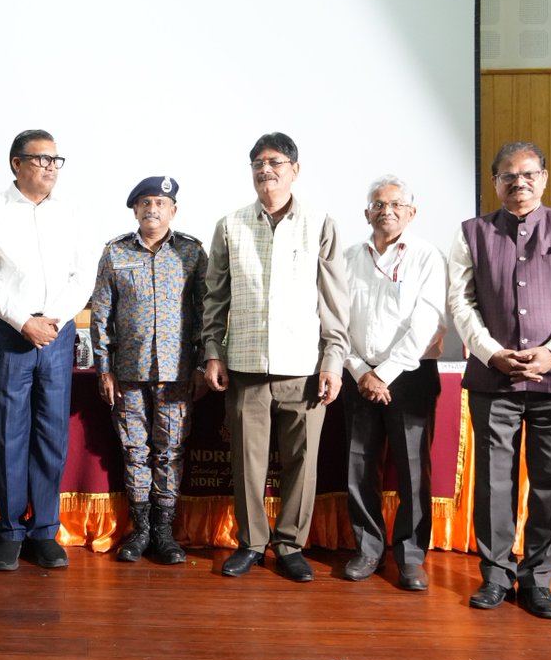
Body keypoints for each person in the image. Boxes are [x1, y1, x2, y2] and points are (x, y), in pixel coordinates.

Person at [448, 141, 551, 619]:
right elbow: (461, 303)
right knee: (494, 484)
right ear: (494, 182)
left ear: (544, 177)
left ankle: (538, 580)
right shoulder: (470, 233)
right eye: (507, 176)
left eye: (528, 174)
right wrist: (492, 352)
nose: (518, 183)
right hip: (492, 380)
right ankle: (495, 576)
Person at [201, 132, 349, 583]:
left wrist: (333, 359)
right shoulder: (231, 224)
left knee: (303, 462)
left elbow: (334, 300)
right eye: (258, 163)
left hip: (304, 368)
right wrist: (212, 351)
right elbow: (214, 298)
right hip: (245, 365)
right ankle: (251, 543)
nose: (266, 169)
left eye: (276, 162)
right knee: (248, 462)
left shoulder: (320, 223)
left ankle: (289, 545)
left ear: (295, 170)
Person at [0, 129, 95, 571]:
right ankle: (10, 530)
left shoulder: (71, 213)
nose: (50, 168)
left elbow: (84, 276)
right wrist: (24, 321)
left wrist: (52, 321)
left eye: (56, 161)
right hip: (9, 333)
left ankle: (43, 530)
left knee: (51, 432)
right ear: (16, 164)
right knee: (9, 433)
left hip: (56, 335)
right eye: (41, 160)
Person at [90, 176, 207, 565]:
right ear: (134, 209)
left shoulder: (191, 253)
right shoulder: (115, 253)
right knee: (134, 451)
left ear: (173, 210)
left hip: (177, 373)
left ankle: (164, 532)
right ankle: (140, 530)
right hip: (128, 372)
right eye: (145, 203)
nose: (152, 209)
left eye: (160, 203)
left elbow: (206, 313)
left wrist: (203, 363)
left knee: (169, 452)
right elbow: (101, 316)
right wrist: (103, 368)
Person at [341, 175, 446, 590]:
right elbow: (335, 321)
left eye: (396, 204)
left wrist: (383, 374)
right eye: (378, 205)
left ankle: (410, 557)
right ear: (366, 212)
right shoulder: (347, 257)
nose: (387, 211)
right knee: (358, 466)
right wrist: (360, 371)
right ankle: (367, 550)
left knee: (412, 471)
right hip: (358, 375)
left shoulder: (426, 256)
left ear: (412, 212)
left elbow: (427, 322)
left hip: (410, 377)